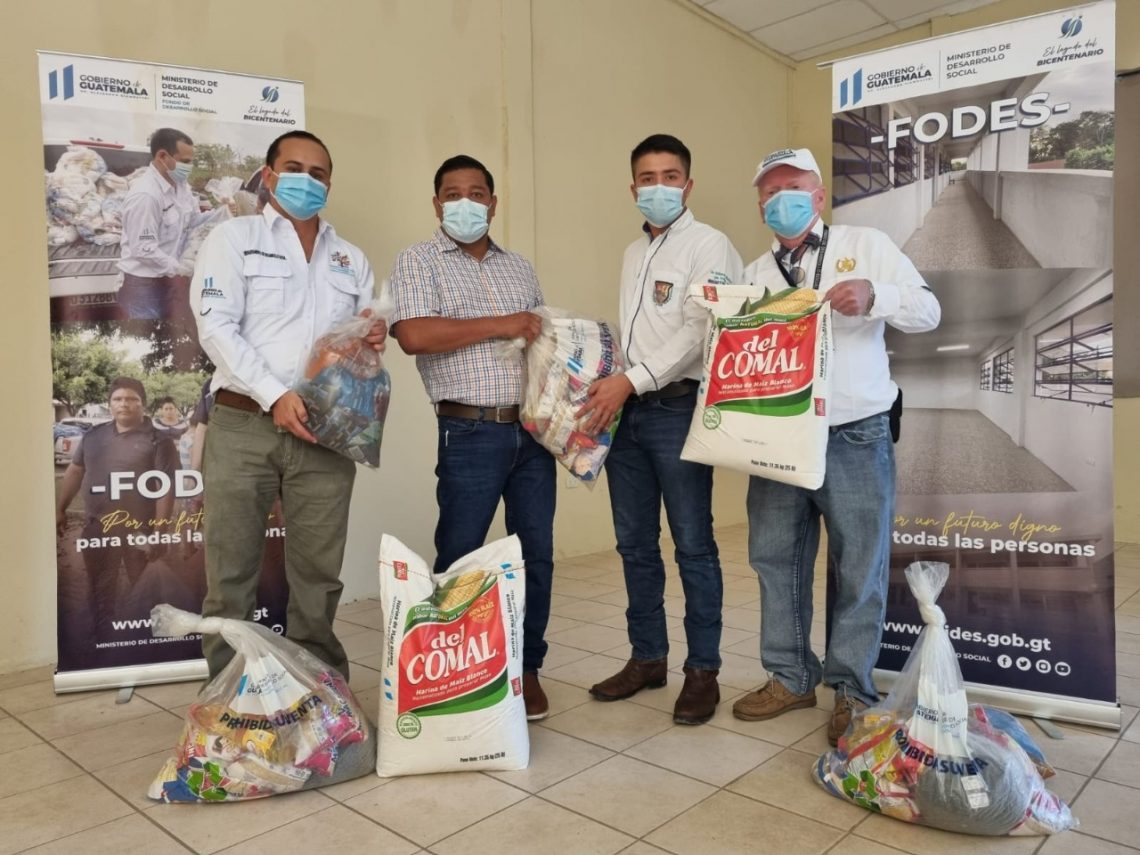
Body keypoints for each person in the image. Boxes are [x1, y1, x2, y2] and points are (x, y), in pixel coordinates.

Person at [729, 148, 941, 745]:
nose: (782, 200)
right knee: (775, 560)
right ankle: (791, 677)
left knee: (859, 566)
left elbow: (928, 309)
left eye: (794, 188)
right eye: (770, 192)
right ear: (760, 206)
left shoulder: (866, 244)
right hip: (776, 438)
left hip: (855, 433)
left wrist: (876, 296)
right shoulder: (753, 273)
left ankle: (851, 688)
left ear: (819, 197)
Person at [190, 129, 386, 680]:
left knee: (318, 575)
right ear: (270, 176)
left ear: (330, 184)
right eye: (294, 169)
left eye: (318, 173)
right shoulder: (234, 238)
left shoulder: (349, 258)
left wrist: (373, 336)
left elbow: (360, 339)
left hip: (326, 430)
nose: (307, 180)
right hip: (243, 423)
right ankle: (228, 695)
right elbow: (216, 326)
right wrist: (275, 395)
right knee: (230, 573)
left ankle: (319, 693)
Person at [579, 134, 742, 725]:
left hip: (676, 410)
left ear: (688, 185)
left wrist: (631, 380)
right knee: (635, 544)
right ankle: (648, 657)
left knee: (693, 544)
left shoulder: (709, 245)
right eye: (647, 178)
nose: (659, 187)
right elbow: (638, 335)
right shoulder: (633, 252)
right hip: (628, 414)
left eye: (670, 177)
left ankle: (703, 671)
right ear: (633, 188)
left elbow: (700, 331)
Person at [389, 154, 554, 721]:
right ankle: (455, 671)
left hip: (532, 430)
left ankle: (527, 668)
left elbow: (540, 339)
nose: (466, 202)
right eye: (453, 194)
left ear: (493, 203)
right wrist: (503, 323)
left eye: (477, 193)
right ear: (437, 205)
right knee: (462, 555)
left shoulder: (520, 268)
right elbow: (414, 335)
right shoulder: (418, 261)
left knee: (535, 554)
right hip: (469, 430)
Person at [55, 377, 178, 636]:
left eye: (132, 399)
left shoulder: (160, 441)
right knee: (99, 589)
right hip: (99, 528)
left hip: (141, 530)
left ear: (143, 404)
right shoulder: (93, 436)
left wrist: (159, 533)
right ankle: (102, 638)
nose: (124, 404)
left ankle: (150, 642)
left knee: (147, 591)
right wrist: (60, 508)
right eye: (118, 399)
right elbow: (75, 471)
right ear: (110, 403)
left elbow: (166, 488)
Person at [118, 128, 225, 321]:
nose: (189, 167)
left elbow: (193, 221)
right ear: (162, 156)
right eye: (185, 162)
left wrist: (223, 212)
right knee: (148, 336)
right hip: (144, 287)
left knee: (170, 331)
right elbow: (143, 249)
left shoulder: (181, 187)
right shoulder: (146, 196)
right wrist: (180, 268)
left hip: (168, 280)